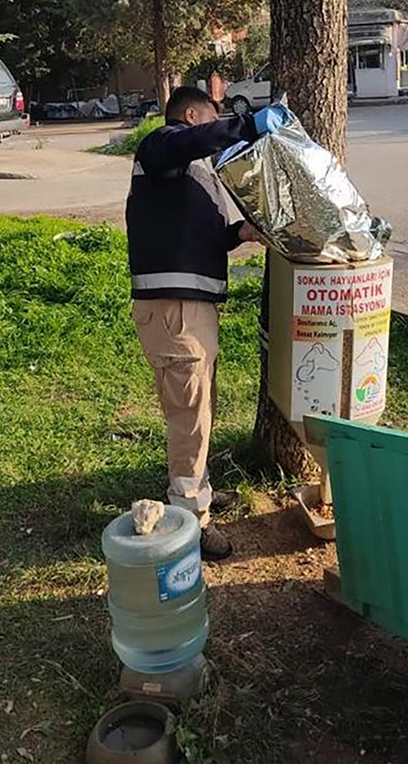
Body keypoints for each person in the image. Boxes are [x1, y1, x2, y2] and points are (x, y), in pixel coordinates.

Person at [126, 86, 288, 561]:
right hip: (173, 312)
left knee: (200, 409)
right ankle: (192, 521)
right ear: (192, 115)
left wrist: (237, 233)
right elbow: (183, 143)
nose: (215, 139)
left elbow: (199, 239)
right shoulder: (160, 148)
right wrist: (248, 124)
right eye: (211, 124)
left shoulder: (191, 173)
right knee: (189, 417)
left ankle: (193, 492)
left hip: (191, 311)